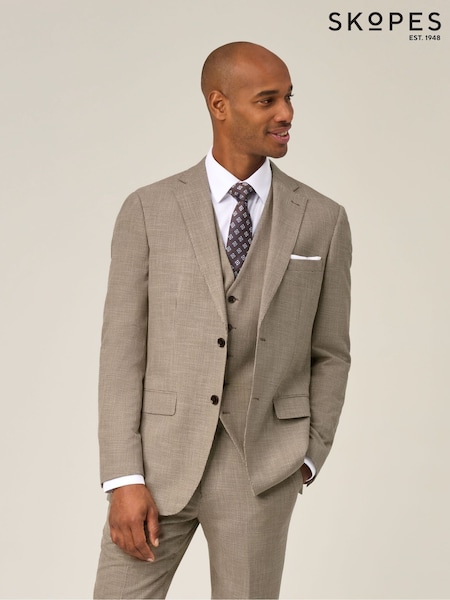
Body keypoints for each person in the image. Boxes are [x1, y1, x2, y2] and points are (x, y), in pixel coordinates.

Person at [94, 41, 351, 599]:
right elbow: (121, 352)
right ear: (219, 105)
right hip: (158, 464)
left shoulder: (323, 218)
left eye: (289, 98)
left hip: (262, 466)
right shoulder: (149, 209)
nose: (286, 113)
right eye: (267, 100)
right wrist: (124, 477)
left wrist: (308, 455)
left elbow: (330, 351)